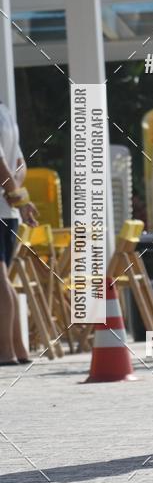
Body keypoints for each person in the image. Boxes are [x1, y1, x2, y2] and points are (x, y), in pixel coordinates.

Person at [0, 101, 38, 365]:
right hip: (8, 213)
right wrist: (16, 194)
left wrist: (17, 196)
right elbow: (20, 164)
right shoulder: (5, 112)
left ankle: (6, 351)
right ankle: (18, 348)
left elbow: (2, 163)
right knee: (4, 280)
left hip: (6, 208)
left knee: (1, 281)